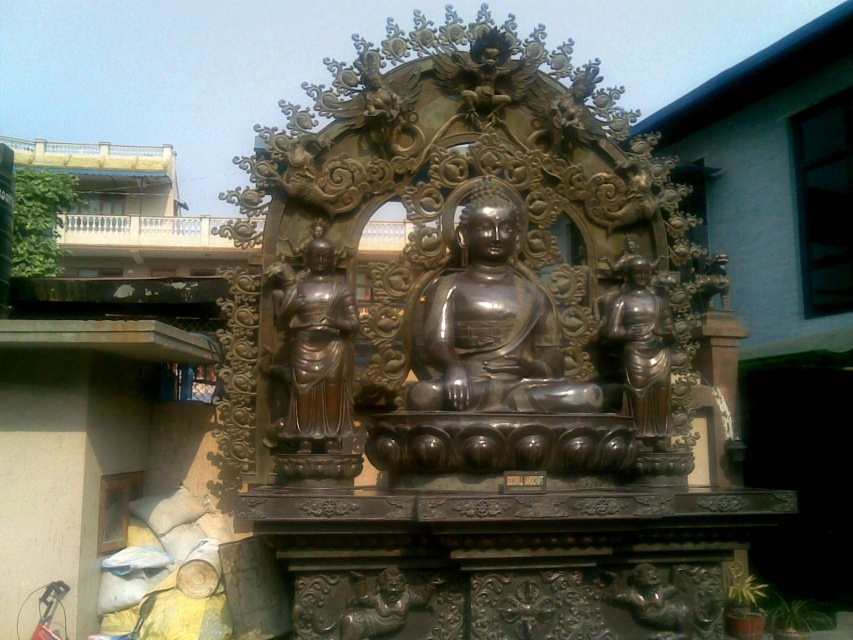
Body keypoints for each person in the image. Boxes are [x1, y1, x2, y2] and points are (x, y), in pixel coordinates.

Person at [408, 178, 602, 413]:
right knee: (424, 395)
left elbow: (552, 353)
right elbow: (438, 343)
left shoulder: (533, 293)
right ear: (463, 235)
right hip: (470, 384)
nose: (497, 236)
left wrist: (532, 368)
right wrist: (454, 368)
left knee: (588, 396)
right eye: (485, 227)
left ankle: (503, 407)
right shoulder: (448, 286)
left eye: (507, 228)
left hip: (522, 385)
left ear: (518, 238)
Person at [267, 237, 359, 454]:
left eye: (326, 257)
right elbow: (281, 326)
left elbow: (355, 324)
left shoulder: (341, 290)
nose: (320, 261)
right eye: (316, 256)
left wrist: (336, 323)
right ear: (306, 259)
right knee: (303, 391)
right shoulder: (297, 289)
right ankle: (304, 439)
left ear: (333, 260)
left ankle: (331, 439)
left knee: (333, 390)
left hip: (333, 347)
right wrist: (290, 309)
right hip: (304, 346)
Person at [601, 255, 676, 447]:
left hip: (659, 350)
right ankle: (638, 434)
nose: (643, 276)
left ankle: (661, 435)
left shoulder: (659, 301)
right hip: (635, 350)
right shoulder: (621, 301)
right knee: (638, 390)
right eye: (637, 272)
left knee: (662, 389)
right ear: (627, 276)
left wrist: (666, 333)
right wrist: (628, 334)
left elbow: (672, 331)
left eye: (646, 272)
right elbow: (611, 332)